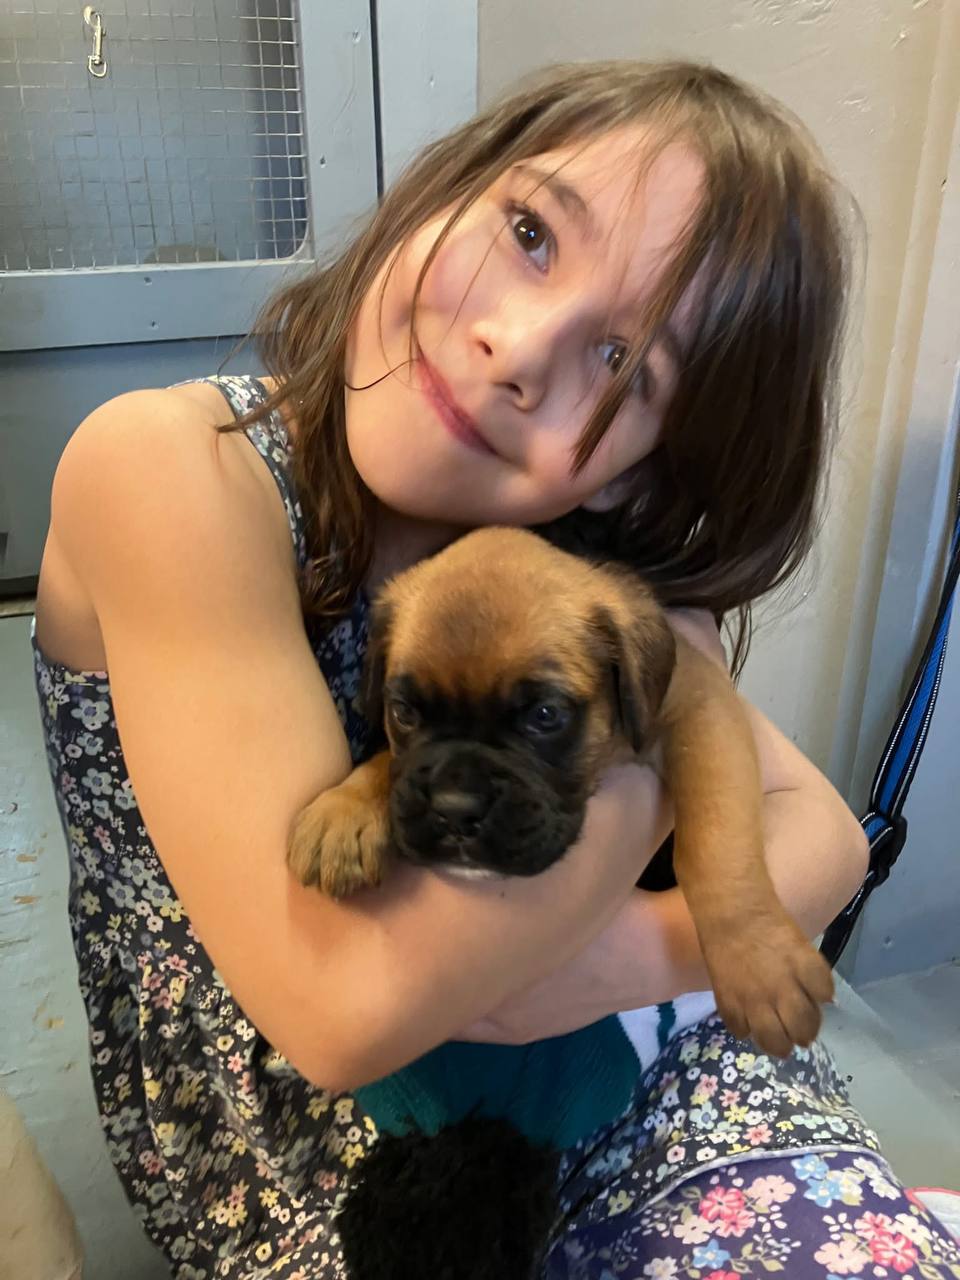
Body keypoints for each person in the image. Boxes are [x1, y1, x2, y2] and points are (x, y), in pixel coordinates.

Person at [32, 60, 960, 1279]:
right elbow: (346, 1009)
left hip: (636, 1034)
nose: (516, 346)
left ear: (639, 468)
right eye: (530, 231)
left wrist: (620, 961)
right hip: (316, 1128)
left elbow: (828, 842)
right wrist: (667, 751)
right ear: (444, 188)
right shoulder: (171, 470)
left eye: (627, 359)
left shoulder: (574, 566)